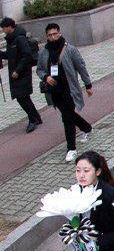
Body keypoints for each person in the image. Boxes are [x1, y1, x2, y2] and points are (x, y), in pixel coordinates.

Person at [36, 23, 93, 163]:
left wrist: (88, 85)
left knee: (67, 118)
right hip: (54, 92)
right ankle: (87, 128)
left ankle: (71, 149)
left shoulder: (70, 49)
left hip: (69, 90)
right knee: (69, 115)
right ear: (46, 36)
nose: (53, 37)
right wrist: (46, 77)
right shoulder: (44, 52)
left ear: (59, 33)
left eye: (55, 34)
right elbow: (39, 69)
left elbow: (81, 66)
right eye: (50, 35)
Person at [1, 16, 43, 133]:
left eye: (4, 28)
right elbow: (10, 56)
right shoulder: (11, 39)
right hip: (15, 74)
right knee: (22, 97)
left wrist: (18, 70)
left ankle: (33, 119)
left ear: (9, 27)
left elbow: (27, 55)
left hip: (22, 73)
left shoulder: (19, 38)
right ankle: (36, 117)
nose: (3, 30)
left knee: (23, 97)